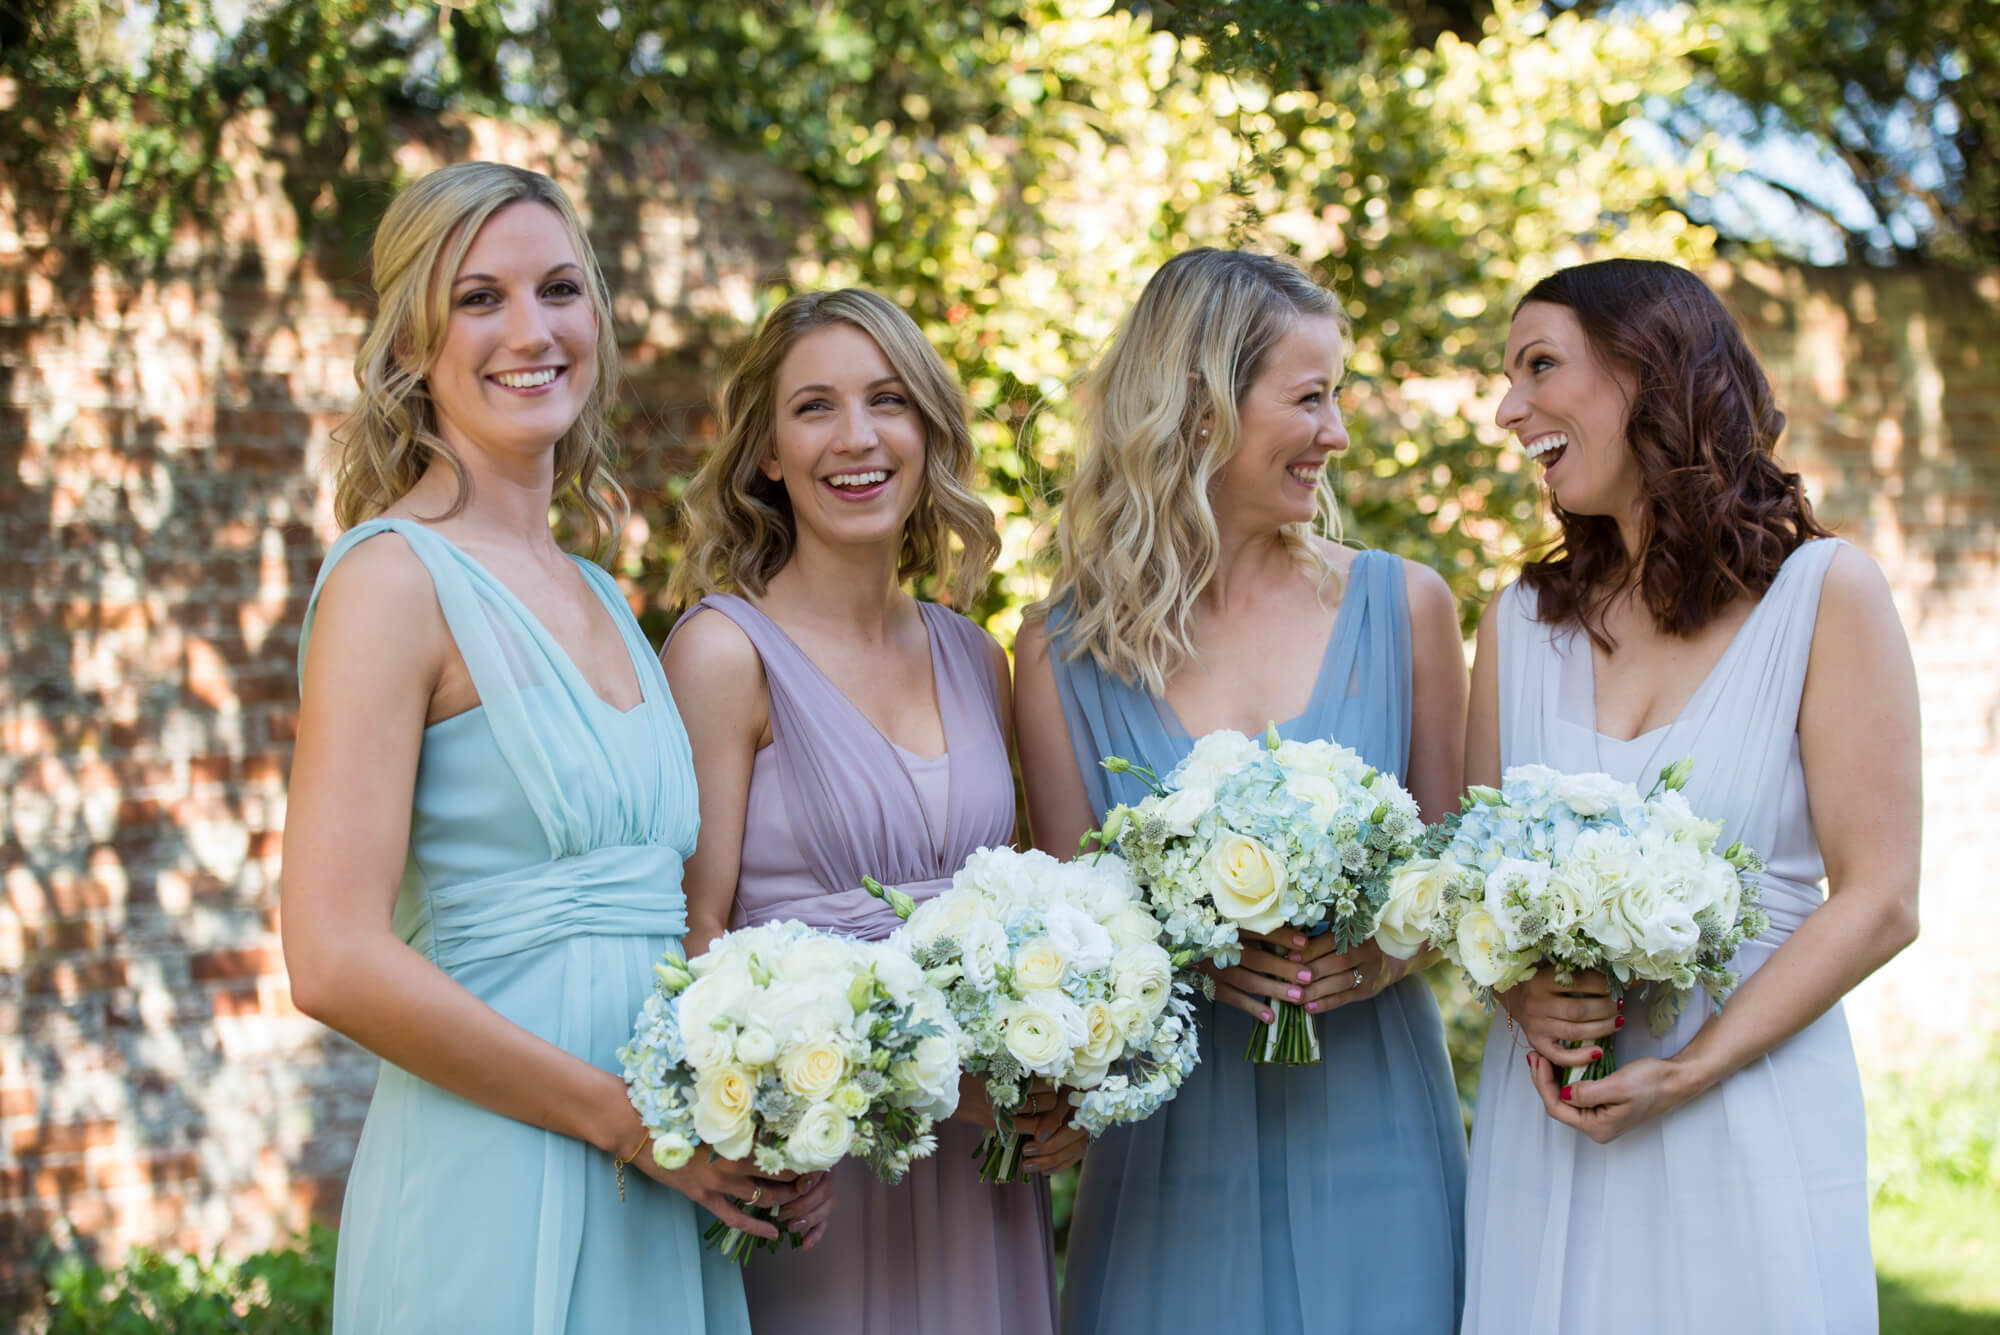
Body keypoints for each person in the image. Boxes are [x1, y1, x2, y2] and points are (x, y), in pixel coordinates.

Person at [279, 162, 831, 1335]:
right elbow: (330, 956)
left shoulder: (598, 594)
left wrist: (760, 1117)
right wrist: (622, 1121)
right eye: (478, 298)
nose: (529, 330)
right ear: (408, 345)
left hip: (663, 1181)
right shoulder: (391, 580)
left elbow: (678, 921)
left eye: (559, 289)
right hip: (498, 1176)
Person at [1014, 247, 1470, 1334]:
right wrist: (1195, 960)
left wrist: (1377, 954)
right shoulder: (1058, 649)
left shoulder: (1406, 608)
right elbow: (1084, 927)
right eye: (1309, 399)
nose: (1337, 436)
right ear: (1202, 408)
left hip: (1374, 1116)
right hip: (1177, 1143)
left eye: (1336, 397)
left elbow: (1456, 872)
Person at [1461, 258, 1921, 1334]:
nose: (1505, 409)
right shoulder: (1515, 625)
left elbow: (1879, 898)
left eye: (1537, 367)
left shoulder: (1822, 595)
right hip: (1552, 1112)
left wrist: (1688, 1071)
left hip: (1742, 1099)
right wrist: (1517, 998)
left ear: (1647, 374)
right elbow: (1473, 885)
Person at [661, 288, 1065, 1334]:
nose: (856, 438)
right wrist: (748, 1132)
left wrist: (1057, 1077)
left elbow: (1022, 908)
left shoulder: (977, 656)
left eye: (887, 401)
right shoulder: (721, 653)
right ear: (766, 453)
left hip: (977, 1158)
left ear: (927, 434)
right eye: (813, 408)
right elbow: (688, 937)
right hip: (812, 1164)